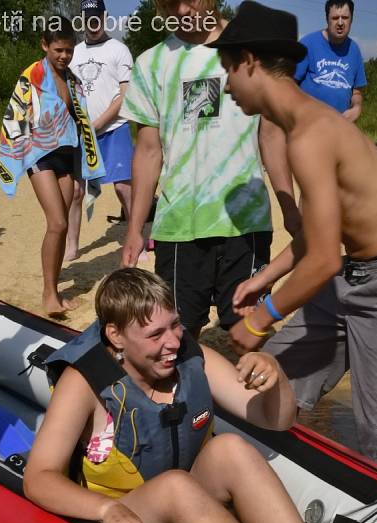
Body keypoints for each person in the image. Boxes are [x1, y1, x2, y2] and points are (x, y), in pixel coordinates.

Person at [208, 1, 377, 491]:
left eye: (229, 69)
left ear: (250, 61)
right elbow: (321, 236)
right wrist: (264, 278)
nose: (227, 84)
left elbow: (323, 258)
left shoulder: (311, 134)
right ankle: (261, 481)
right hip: (348, 276)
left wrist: (260, 319)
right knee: (278, 382)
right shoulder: (304, 127)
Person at [23, 268, 334, 523]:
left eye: (175, 324)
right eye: (155, 335)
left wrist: (276, 378)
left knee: (231, 448)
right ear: (116, 336)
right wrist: (105, 509)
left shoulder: (194, 358)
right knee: (175, 486)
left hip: (190, 504)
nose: (173, 342)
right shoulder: (84, 383)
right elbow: (39, 478)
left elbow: (275, 420)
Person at [120, 0, 300, 340]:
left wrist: (289, 207)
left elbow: (271, 135)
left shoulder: (250, 49)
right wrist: (134, 229)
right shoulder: (150, 64)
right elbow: (148, 150)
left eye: (191, 0)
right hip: (178, 226)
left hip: (245, 222)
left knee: (248, 331)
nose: (183, 11)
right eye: (171, 4)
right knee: (177, 335)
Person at [0, 17, 105, 316]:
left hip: (66, 153)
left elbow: (81, 122)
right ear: (45, 45)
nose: (64, 56)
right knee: (57, 222)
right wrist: (12, 159)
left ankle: (54, 289)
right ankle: (49, 294)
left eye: (69, 50)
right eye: (58, 49)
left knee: (63, 223)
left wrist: (86, 162)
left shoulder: (73, 80)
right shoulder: (31, 75)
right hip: (38, 153)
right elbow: (14, 117)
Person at [65, 0, 137, 262]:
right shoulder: (74, 53)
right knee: (75, 192)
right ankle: (72, 246)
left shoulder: (119, 50)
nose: (92, 24)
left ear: (105, 17)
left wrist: (97, 125)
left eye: (96, 18)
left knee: (124, 189)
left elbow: (124, 97)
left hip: (114, 129)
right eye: (87, 19)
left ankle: (134, 237)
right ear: (82, 19)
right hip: (82, 134)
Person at [295, 0, 366, 121]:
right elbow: (288, 84)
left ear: (351, 19)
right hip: (307, 126)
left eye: (345, 17)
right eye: (335, 18)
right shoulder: (308, 44)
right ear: (327, 19)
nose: (340, 22)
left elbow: (357, 92)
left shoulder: (354, 50)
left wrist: (357, 107)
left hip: (341, 127)